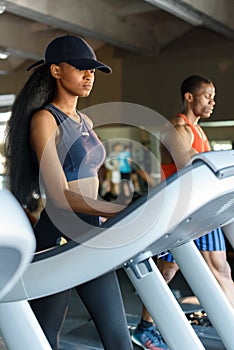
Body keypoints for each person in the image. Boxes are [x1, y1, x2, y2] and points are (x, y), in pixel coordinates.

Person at [4, 34, 133, 350]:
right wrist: (118, 210)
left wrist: (112, 209)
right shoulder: (45, 119)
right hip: (58, 232)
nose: (89, 75)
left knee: (117, 336)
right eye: (80, 68)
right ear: (56, 71)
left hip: (90, 229)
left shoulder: (86, 120)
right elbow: (60, 195)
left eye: (92, 70)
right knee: (43, 338)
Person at [132, 75, 234, 350]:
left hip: (202, 207)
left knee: (220, 269)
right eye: (207, 96)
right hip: (182, 210)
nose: (212, 102)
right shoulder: (177, 127)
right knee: (166, 272)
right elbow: (190, 164)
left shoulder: (200, 131)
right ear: (189, 97)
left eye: (214, 96)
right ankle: (145, 328)